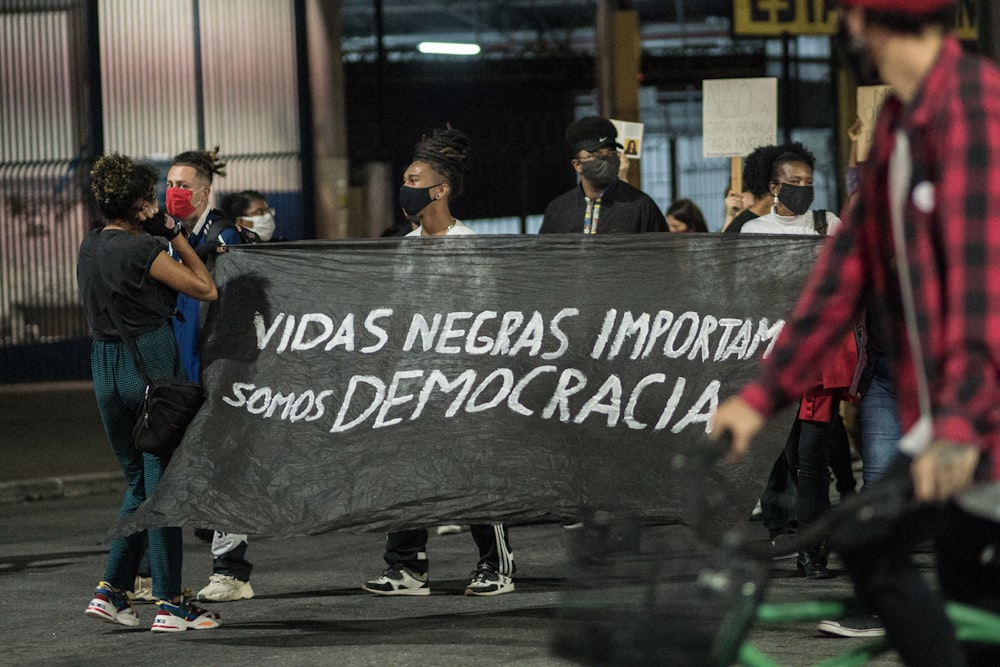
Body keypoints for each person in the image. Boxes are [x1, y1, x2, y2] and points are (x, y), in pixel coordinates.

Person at [712, 0, 1000, 663]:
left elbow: (985, 290)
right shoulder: (900, 122)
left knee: (966, 596)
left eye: (851, 13)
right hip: (951, 414)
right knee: (873, 543)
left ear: (874, 20)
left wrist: (958, 422)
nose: (845, 27)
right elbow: (844, 274)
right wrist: (762, 395)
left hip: (981, 415)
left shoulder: (973, 110)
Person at [362, 126, 515, 597]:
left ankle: (496, 567)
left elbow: (487, 319)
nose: (404, 188)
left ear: (440, 188)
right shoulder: (405, 248)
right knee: (405, 473)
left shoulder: (469, 247)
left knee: (473, 474)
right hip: (411, 381)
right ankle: (406, 567)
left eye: (413, 178)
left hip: (460, 382)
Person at [78, 153, 220, 632]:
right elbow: (204, 287)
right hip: (150, 368)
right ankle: (171, 602)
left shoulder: (90, 245)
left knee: (139, 482)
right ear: (141, 205)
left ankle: (111, 590)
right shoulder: (144, 252)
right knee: (162, 489)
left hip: (104, 368)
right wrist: (174, 232)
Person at [740, 144, 857, 578]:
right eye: (795, 183)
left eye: (809, 182)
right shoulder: (754, 232)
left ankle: (813, 553)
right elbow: (747, 296)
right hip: (776, 361)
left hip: (820, 359)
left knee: (811, 459)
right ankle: (812, 538)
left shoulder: (830, 224)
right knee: (791, 457)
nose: (803, 189)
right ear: (774, 187)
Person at [165, 147, 241, 383]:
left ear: (204, 192)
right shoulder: (170, 237)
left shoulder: (224, 237)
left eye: (183, 186)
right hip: (179, 361)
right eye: (169, 185)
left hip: (208, 363)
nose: (173, 192)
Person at [539, 116, 666, 234]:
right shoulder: (559, 210)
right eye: (596, 155)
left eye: (611, 153)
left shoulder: (640, 206)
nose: (606, 159)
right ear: (577, 165)